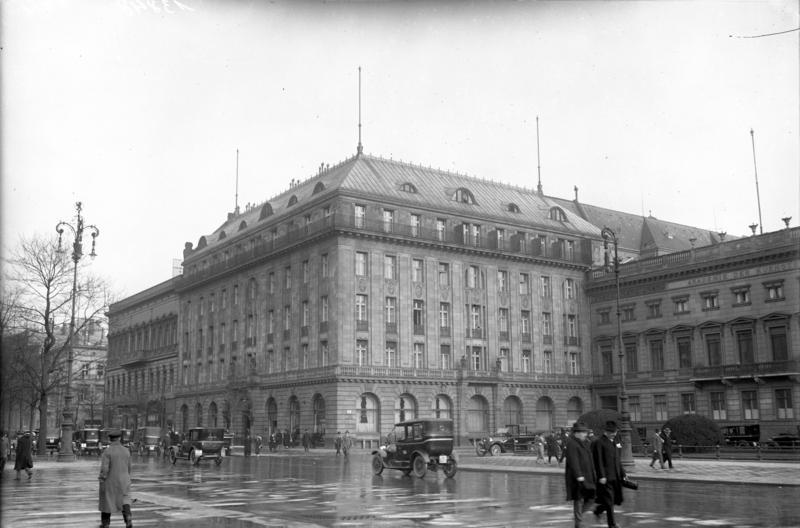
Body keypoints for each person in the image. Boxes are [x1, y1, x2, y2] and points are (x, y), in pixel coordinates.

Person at [591, 420, 626, 528]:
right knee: (610, 500)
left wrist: (623, 473)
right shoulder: (599, 442)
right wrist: (601, 476)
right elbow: (599, 461)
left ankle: (598, 510)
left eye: (615, 432)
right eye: (613, 432)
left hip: (615, 475)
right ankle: (612, 524)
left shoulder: (614, 442)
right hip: (605, 477)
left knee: (616, 499)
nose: (615, 433)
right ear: (606, 432)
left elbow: (617, 460)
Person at [99, 429, 133, 528]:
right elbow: (129, 467)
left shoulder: (108, 451)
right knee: (125, 500)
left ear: (110, 439)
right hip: (124, 480)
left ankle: (105, 523)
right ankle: (128, 517)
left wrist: (102, 478)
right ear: (119, 438)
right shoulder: (126, 450)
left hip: (111, 480)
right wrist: (127, 477)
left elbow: (105, 468)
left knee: (107, 501)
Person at [564, 422, 596, 528]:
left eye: (585, 432)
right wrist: (578, 475)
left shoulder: (585, 442)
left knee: (592, 496)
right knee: (579, 498)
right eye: (583, 432)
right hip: (577, 476)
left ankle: (578, 516)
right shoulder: (572, 443)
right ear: (576, 433)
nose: (585, 434)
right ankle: (578, 522)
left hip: (588, 475)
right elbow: (573, 460)